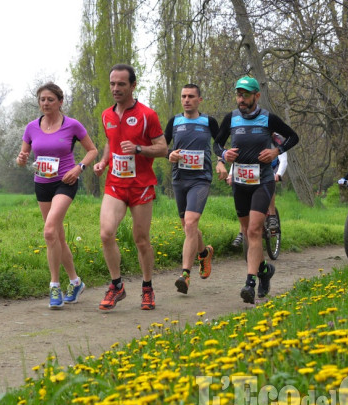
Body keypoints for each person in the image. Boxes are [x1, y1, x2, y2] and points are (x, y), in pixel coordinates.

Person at [214, 76, 299, 304]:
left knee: (253, 231)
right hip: (240, 182)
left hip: (262, 180)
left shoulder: (268, 118)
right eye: (238, 94)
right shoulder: (230, 118)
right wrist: (223, 155)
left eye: (246, 95)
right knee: (247, 234)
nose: (241, 99)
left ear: (256, 96)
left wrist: (276, 151)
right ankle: (264, 270)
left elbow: (293, 136)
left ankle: (250, 283)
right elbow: (216, 144)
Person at [16, 82, 98, 309]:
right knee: (57, 237)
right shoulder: (32, 127)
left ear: (60, 102)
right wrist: (21, 159)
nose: (45, 103)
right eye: (42, 99)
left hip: (66, 182)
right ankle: (75, 281)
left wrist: (79, 167)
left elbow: (92, 150)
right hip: (42, 183)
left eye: (50, 99)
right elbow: (22, 155)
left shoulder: (72, 125)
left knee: (50, 230)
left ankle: (54, 287)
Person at [94, 64, 168, 311]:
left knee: (141, 239)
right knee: (106, 233)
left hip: (141, 186)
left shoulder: (148, 115)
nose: (115, 88)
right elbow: (109, 142)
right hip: (115, 184)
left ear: (133, 85)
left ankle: (147, 287)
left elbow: (163, 148)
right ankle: (117, 286)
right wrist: (104, 161)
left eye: (121, 84)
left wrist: (139, 149)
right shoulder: (106, 115)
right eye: (113, 83)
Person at [164, 84, 220, 294]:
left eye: (191, 96)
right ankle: (204, 253)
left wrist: (221, 159)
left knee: (190, 223)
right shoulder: (175, 122)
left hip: (201, 179)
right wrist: (169, 154)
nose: (186, 100)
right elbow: (162, 145)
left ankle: (185, 275)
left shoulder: (208, 122)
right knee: (188, 227)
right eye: (183, 96)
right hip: (180, 179)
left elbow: (219, 144)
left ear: (199, 100)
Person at [230, 133, 287, 247]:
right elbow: (239, 159)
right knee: (245, 203)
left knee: (269, 183)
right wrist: (231, 174)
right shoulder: (250, 135)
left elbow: (284, 159)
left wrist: (279, 174)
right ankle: (242, 232)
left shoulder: (278, 139)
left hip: (272, 166)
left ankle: (272, 216)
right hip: (253, 167)